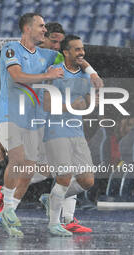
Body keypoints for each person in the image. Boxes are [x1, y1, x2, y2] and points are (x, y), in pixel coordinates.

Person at [0, 22, 96, 234]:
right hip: (30, 120)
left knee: (62, 172)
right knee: (33, 168)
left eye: (60, 43)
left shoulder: (58, 59)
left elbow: (80, 65)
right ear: (43, 39)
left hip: (50, 122)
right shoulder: (35, 55)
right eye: (54, 41)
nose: (57, 46)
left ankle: (62, 216)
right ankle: (8, 202)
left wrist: (90, 71)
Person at [0, 13, 65, 237]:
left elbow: (70, 59)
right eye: (41, 26)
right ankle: (5, 208)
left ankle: (9, 213)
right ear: (27, 28)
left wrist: (88, 71)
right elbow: (16, 76)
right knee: (17, 158)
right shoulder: (11, 49)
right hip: (7, 114)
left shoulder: (48, 54)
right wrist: (47, 74)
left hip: (32, 118)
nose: (45, 30)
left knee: (29, 169)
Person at [43, 35, 96, 236]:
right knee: (64, 177)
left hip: (77, 132)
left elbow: (89, 103)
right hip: (56, 131)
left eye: (82, 49)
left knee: (87, 181)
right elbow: (47, 105)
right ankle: (54, 224)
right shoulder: (55, 74)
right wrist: (72, 106)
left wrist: (91, 101)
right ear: (66, 52)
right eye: (76, 49)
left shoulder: (84, 77)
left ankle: (51, 198)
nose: (81, 53)